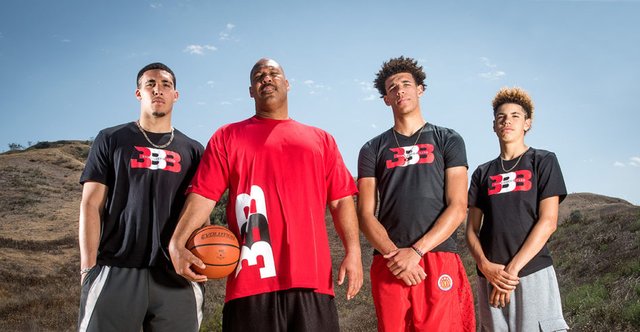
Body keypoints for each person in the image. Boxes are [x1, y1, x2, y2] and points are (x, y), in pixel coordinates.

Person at [168, 58, 363, 332]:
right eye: (259, 76)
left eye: (273, 73)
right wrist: (176, 244)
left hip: (312, 280)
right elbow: (203, 195)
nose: (266, 79)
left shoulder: (321, 140)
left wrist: (353, 252)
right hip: (249, 282)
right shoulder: (227, 136)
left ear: (287, 84)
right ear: (251, 91)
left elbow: (341, 200)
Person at [77, 62, 204, 332]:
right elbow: (90, 204)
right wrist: (88, 268)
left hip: (176, 273)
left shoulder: (193, 149)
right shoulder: (111, 138)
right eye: (150, 84)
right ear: (139, 93)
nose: (158, 90)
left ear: (176, 95)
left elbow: (199, 209)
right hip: (115, 268)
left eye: (166, 85)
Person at [357, 56, 476, 331]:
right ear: (386, 99)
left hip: (436, 254)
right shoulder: (372, 148)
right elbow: (365, 214)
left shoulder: (449, 139)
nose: (400, 90)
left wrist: (417, 251)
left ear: (420, 89)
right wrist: (396, 255)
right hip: (391, 260)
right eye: (392, 88)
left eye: (406, 84)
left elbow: (458, 206)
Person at [466, 87, 569, 331]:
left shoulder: (543, 161)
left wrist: (512, 271)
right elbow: (471, 230)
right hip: (491, 276)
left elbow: (548, 222)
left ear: (527, 123)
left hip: (531, 272)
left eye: (515, 116)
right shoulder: (482, 173)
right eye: (501, 117)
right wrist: (484, 266)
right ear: (494, 126)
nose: (507, 121)